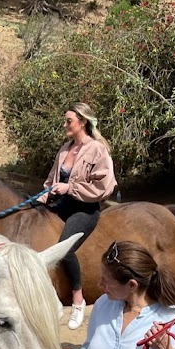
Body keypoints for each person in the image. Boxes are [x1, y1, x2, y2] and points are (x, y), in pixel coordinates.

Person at [36, 102, 118, 330]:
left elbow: (104, 187)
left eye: (68, 121)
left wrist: (70, 189)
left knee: (65, 248)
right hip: (62, 203)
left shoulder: (97, 150)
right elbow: (50, 181)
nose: (65, 125)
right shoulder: (64, 149)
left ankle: (78, 300)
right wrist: (38, 201)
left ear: (82, 122)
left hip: (85, 208)